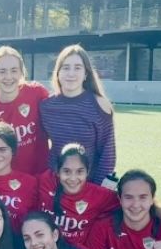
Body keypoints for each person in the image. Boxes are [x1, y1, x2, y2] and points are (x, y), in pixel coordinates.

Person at [39, 45, 116, 182]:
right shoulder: (46, 106)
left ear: (86, 73)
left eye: (77, 68)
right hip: (54, 184)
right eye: (66, 67)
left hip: (88, 184)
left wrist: (95, 188)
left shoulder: (99, 104)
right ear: (58, 72)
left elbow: (107, 154)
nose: (71, 73)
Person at [0, 46, 51, 174]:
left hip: (40, 175)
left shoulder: (37, 93)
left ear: (21, 72)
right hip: (9, 179)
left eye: (14, 70)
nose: (8, 76)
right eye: (2, 71)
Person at [37, 143, 118, 245]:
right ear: (57, 172)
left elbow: (126, 202)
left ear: (87, 172)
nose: (73, 178)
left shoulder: (99, 195)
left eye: (79, 171)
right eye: (67, 171)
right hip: (43, 248)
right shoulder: (45, 181)